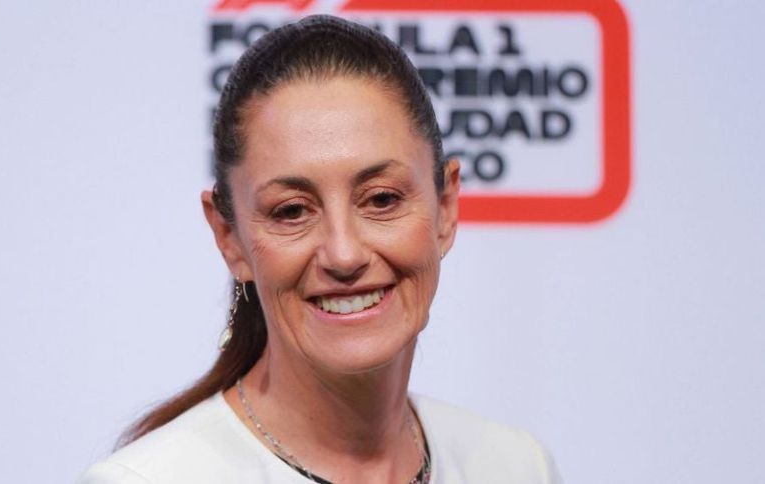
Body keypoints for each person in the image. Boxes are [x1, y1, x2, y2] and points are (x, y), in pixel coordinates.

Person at [80, 14, 561, 484]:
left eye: (381, 199)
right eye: (292, 211)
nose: (344, 254)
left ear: (446, 208)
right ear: (229, 237)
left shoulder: (517, 467)